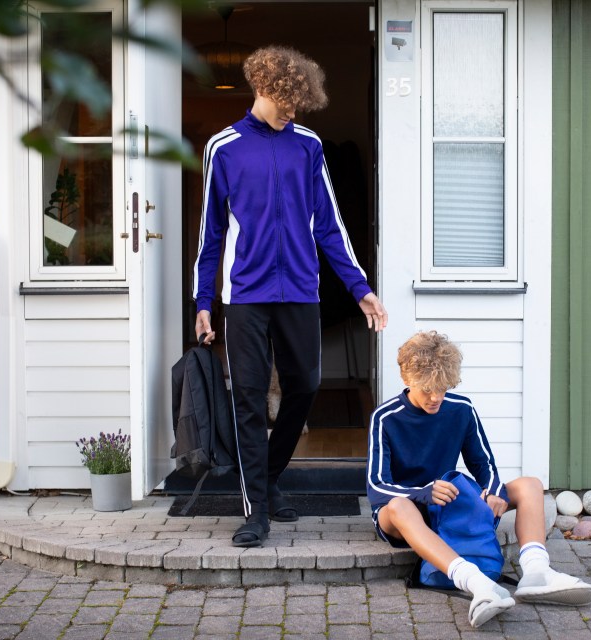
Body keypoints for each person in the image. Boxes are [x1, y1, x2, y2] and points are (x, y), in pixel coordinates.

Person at [194, 45, 388, 548]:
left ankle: (270, 475)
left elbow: (330, 226)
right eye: (287, 102)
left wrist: (360, 287)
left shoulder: (308, 145)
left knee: (305, 385)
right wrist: (202, 302)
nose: (293, 112)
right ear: (263, 90)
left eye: (300, 104)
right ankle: (255, 509)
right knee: (250, 397)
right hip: (247, 294)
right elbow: (210, 234)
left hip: (301, 287)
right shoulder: (224, 147)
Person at [367, 331, 591, 627]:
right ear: (407, 379)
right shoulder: (386, 417)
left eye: (442, 387)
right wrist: (423, 492)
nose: (436, 396)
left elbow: (483, 462)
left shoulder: (461, 409)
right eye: (427, 389)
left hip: (449, 504)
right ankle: (478, 584)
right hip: (408, 510)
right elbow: (376, 486)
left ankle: (536, 573)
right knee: (398, 507)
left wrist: (492, 492)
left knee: (530, 486)